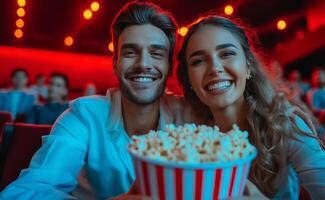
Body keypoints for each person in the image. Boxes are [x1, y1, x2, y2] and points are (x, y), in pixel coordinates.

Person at [0, 2, 195, 199]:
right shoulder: (84, 116)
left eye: (156, 54)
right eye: (130, 53)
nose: (143, 64)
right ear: (115, 63)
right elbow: (23, 193)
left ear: (169, 66)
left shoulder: (192, 121)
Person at [176, 15, 325, 199]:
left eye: (227, 54)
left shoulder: (283, 122)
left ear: (248, 67)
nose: (214, 68)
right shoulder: (185, 137)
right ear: (189, 78)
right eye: (198, 61)